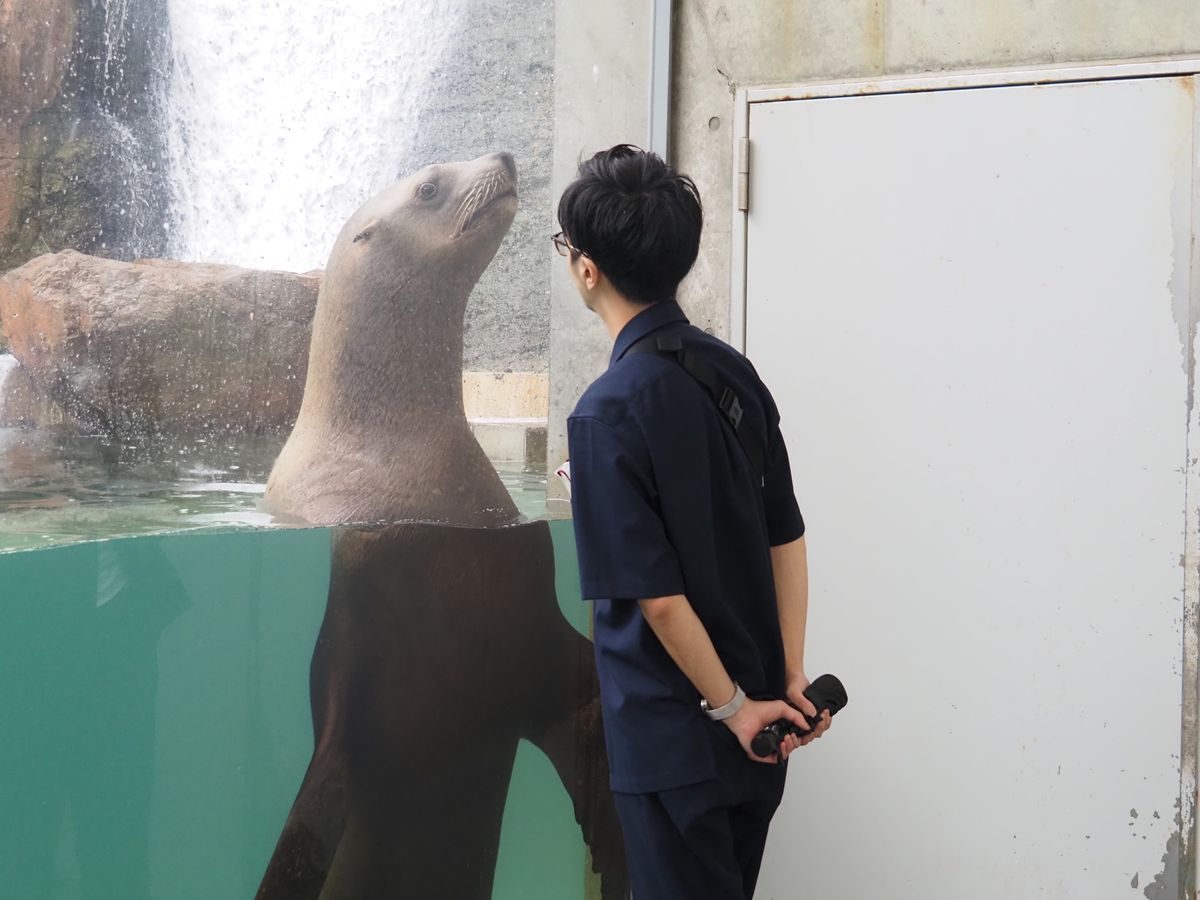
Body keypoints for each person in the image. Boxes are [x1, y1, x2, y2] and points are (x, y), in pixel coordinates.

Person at [557, 144, 831, 900]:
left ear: (588, 269)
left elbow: (660, 600)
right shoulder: (730, 372)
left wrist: (735, 709)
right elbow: (786, 533)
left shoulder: (604, 413)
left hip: (678, 742)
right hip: (760, 731)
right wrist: (788, 676)